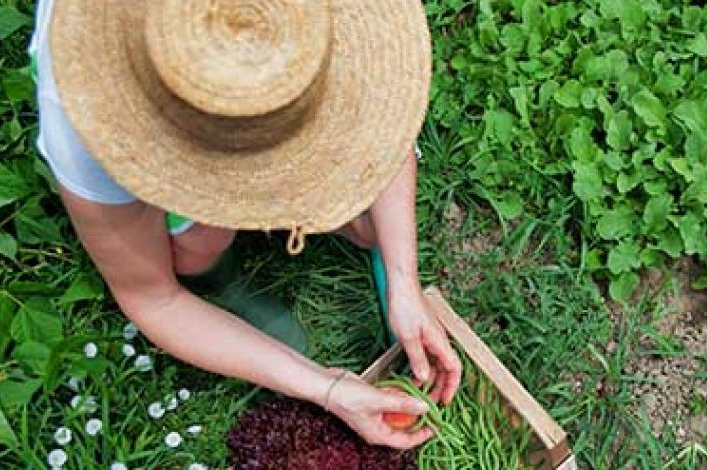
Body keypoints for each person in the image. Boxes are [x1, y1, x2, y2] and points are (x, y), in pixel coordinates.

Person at [28, 0, 461, 449]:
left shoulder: (349, 22)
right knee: (200, 243)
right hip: (146, 117)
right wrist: (324, 386)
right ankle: (221, 276)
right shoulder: (89, 119)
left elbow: (385, 126)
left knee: (372, 223)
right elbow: (152, 297)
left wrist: (404, 282)